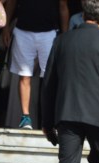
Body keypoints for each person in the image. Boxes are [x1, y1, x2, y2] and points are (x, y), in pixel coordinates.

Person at [39, 0, 99, 163]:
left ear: (83, 15)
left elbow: (49, 85)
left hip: (67, 114)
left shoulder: (61, 41)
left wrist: (47, 123)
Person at [4, 0, 67, 129]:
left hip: (49, 32)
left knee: (50, 77)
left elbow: (63, 6)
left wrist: (65, 35)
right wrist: (5, 27)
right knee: (24, 75)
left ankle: (49, 119)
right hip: (23, 30)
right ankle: (25, 117)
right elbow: (11, 2)